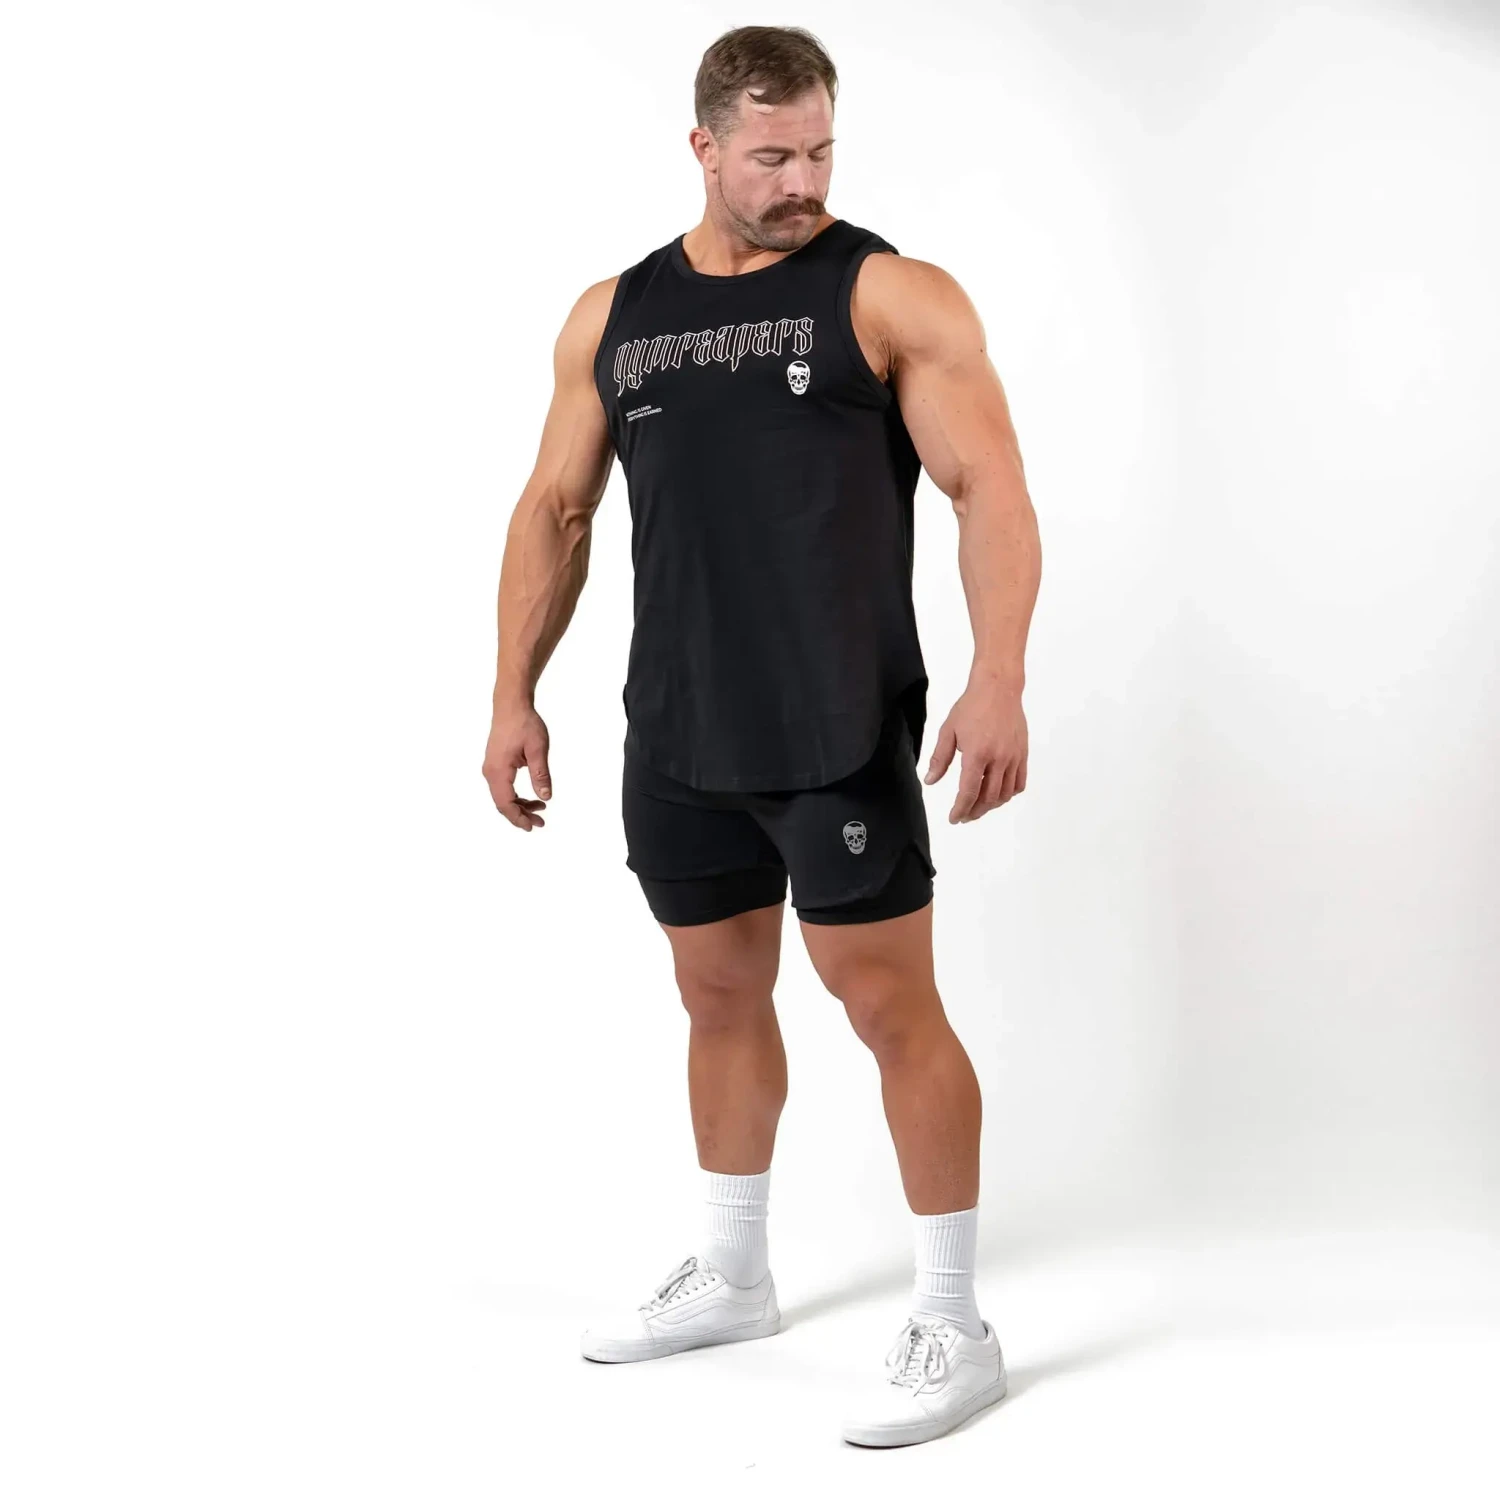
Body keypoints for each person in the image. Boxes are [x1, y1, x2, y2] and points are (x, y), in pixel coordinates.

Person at [482, 24, 1041, 1448]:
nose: (804, 182)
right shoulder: (613, 316)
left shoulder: (888, 294)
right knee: (717, 996)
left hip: (835, 720)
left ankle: (956, 1322)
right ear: (705, 148)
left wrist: (999, 677)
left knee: (887, 1004)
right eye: (774, 156)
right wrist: (510, 692)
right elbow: (555, 511)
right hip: (677, 724)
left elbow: (987, 484)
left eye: (821, 151)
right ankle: (735, 1275)